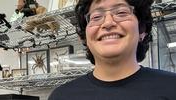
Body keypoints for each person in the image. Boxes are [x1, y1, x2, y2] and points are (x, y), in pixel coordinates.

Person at [48, 0, 176, 100]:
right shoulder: (61, 96)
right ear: (84, 37)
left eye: (121, 13)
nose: (108, 23)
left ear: (142, 30)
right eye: (96, 17)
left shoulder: (172, 87)